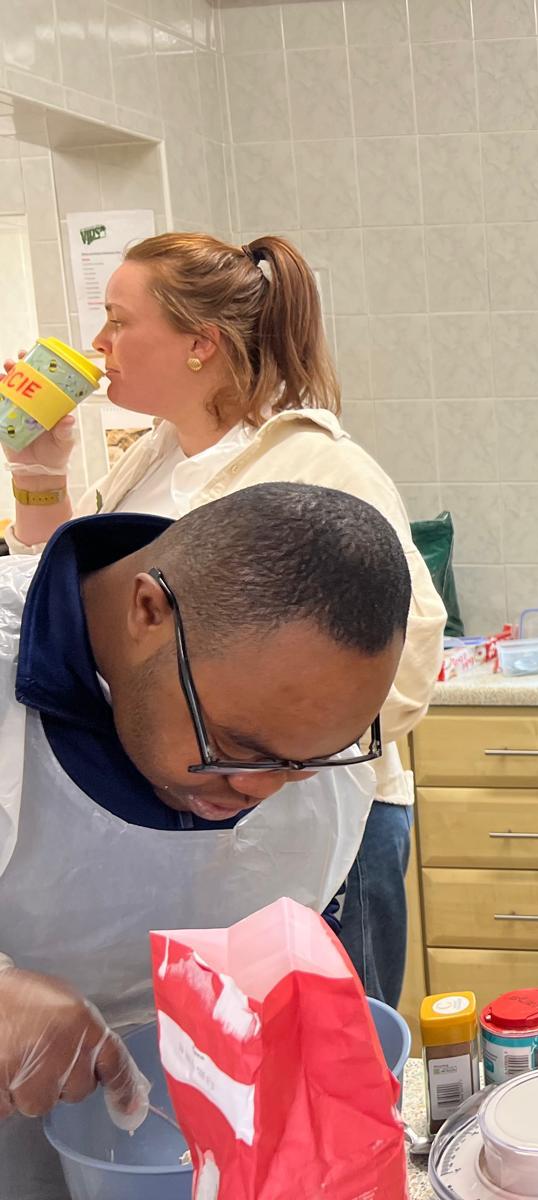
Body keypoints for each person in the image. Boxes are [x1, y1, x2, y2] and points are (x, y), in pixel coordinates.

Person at [2, 233, 446, 1009]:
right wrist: (40, 471)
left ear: (200, 343)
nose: (100, 343)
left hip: (300, 833)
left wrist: (263, 755)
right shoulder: (154, 457)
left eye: (119, 320)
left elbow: (406, 657)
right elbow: (60, 597)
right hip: (170, 820)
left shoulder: (313, 467)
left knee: (311, 1043)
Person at [0, 482, 411, 1196]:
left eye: (304, 763)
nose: (259, 788)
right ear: (147, 612)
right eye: (234, 745)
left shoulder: (309, 743)